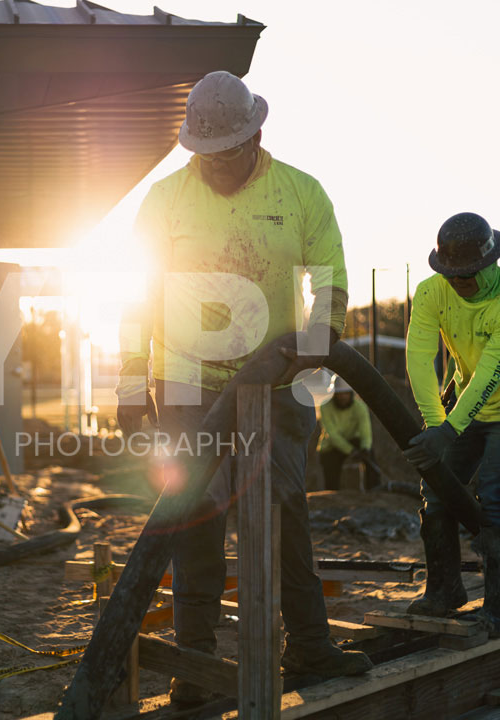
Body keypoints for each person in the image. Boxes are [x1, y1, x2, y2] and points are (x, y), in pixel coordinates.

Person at [115, 70, 371, 705]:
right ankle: (195, 666)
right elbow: (136, 297)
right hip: (185, 382)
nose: (215, 165)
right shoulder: (165, 200)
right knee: (193, 519)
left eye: (226, 152)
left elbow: (330, 277)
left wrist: (315, 343)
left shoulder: (300, 192)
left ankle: (308, 645)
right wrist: (126, 385)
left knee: (284, 510)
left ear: (257, 134)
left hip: (275, 381)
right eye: (203, 155)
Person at [404, 212, 500, 637]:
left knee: (497, 495)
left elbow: (490, 375)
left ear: (489, 262)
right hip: (467, 406)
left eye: (468, 274)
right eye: (452, 274)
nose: (459, 282)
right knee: (436, 489)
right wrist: (435, 423)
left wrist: (447, 432)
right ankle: (445, 590)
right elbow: (418, 357)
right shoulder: (431, 292)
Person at [317, 375, 376, 491]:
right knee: (329, 464)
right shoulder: (325, 407)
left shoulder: (360, 407)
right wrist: (351, 451)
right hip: (331, 446)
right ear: (334, 394)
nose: (343, 397)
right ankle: (332, 494)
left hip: (353, 441)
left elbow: (366, 432)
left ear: (351, 393)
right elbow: (332, 435)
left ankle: (373, 490)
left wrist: (365, 448)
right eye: (339, 393)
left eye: (345, 393)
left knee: (370, 456)